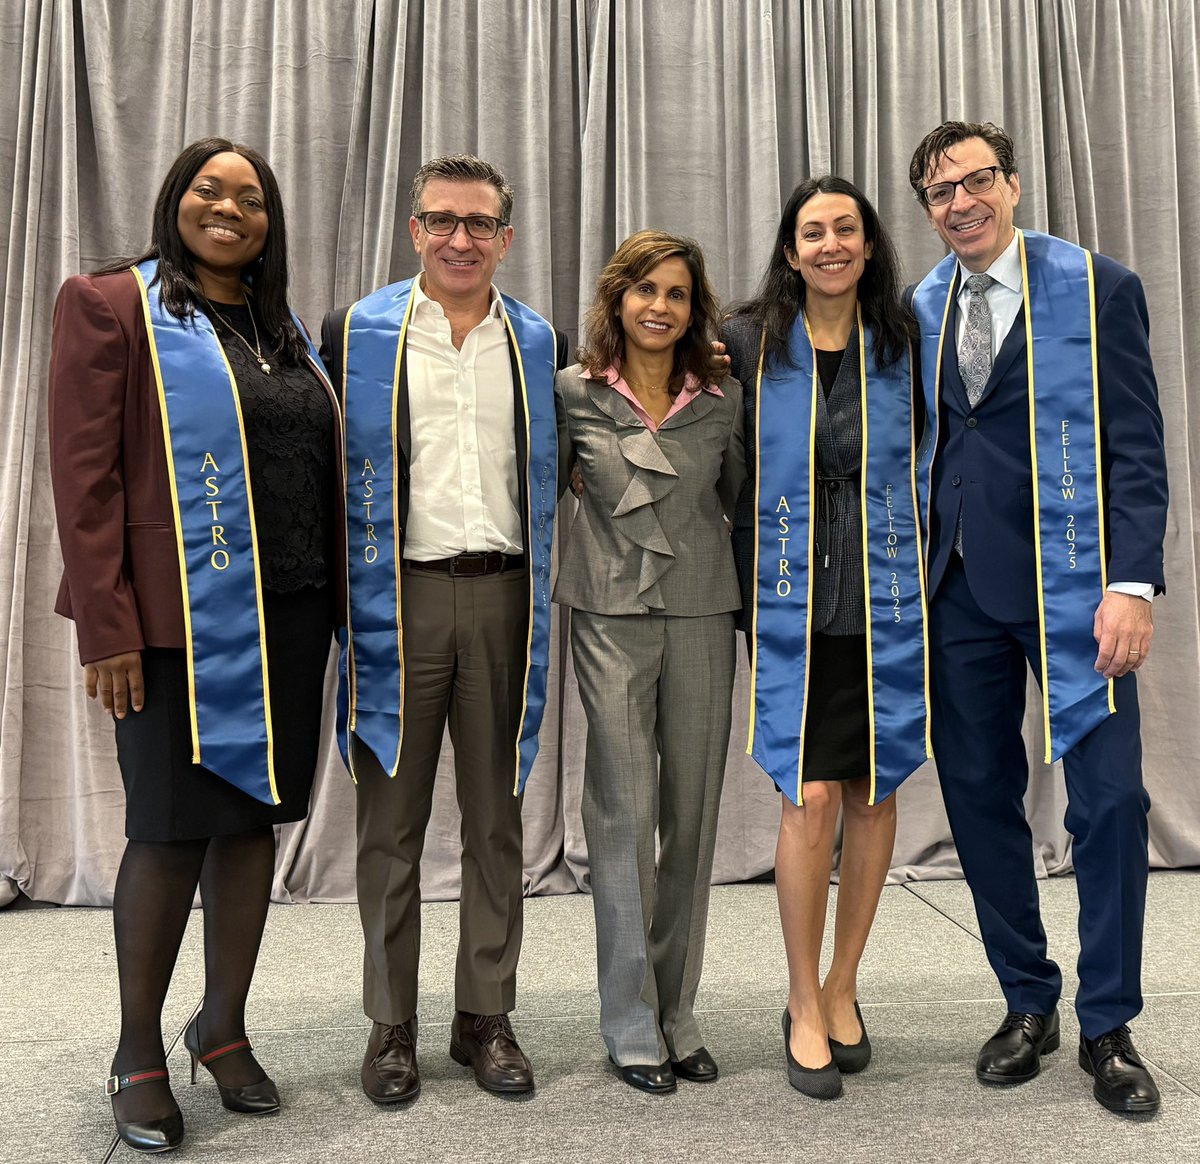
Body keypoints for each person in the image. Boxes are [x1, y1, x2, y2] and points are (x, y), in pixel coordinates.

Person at [49, 137, 341, 1153]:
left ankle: (221, 1026)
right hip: (174, 627)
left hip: (290, 617)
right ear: (176, 199)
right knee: (170, 829)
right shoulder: (111, 306)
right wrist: (107, 627)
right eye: (210, 190)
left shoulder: (281, 329)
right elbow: (82, 481)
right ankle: (137, 1050)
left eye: (251, 198)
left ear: (269, 224)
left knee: (251, 825)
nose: (229, 209)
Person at [907, 120, 1168, 1115]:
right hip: (959, 590)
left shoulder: (1097, 288)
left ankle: (1109, 1023)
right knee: (979, 801)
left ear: (1012, 184)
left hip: (1077, 588)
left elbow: (1136, 445)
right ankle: (1028, 998)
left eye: (976, 180)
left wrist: (1132, 584)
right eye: (940, 192)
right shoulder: (918, 307)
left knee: (1110, 804)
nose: (961, 202)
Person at [320, 154, 567, 1103]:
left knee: (497, 820)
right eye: (442, 221)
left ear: (506, 237)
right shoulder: (356, 334)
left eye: (479, 224)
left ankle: (485, 1016)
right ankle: (391, 1024)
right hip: (399, 602)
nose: (460, 240)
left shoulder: (537, 343)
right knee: (391, 825)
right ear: (414, 230)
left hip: (504, 596)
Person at [725, 178, 929, 1099]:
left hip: (885, 599)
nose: (832, 244)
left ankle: (845, 984)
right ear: (790, 250)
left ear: (869, 243)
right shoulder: (747, 341)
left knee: (873, 795)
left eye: (847, 228)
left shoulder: (905, 340)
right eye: (814, 232)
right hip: (787, 602)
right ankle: (802, 999)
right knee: (808, 799)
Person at [555, 230, 745, 1094]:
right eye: (645, 290)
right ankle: (630, 1022)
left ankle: (679, 1013)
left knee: (692, 817)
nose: (659, 306)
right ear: (618, 299)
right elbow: (549, 491)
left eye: (676, 293)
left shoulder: (724, 398)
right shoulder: (572, 392)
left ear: (694, 307)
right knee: (625, 815)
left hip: (704, 611)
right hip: (609, 618)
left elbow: (739, 501)